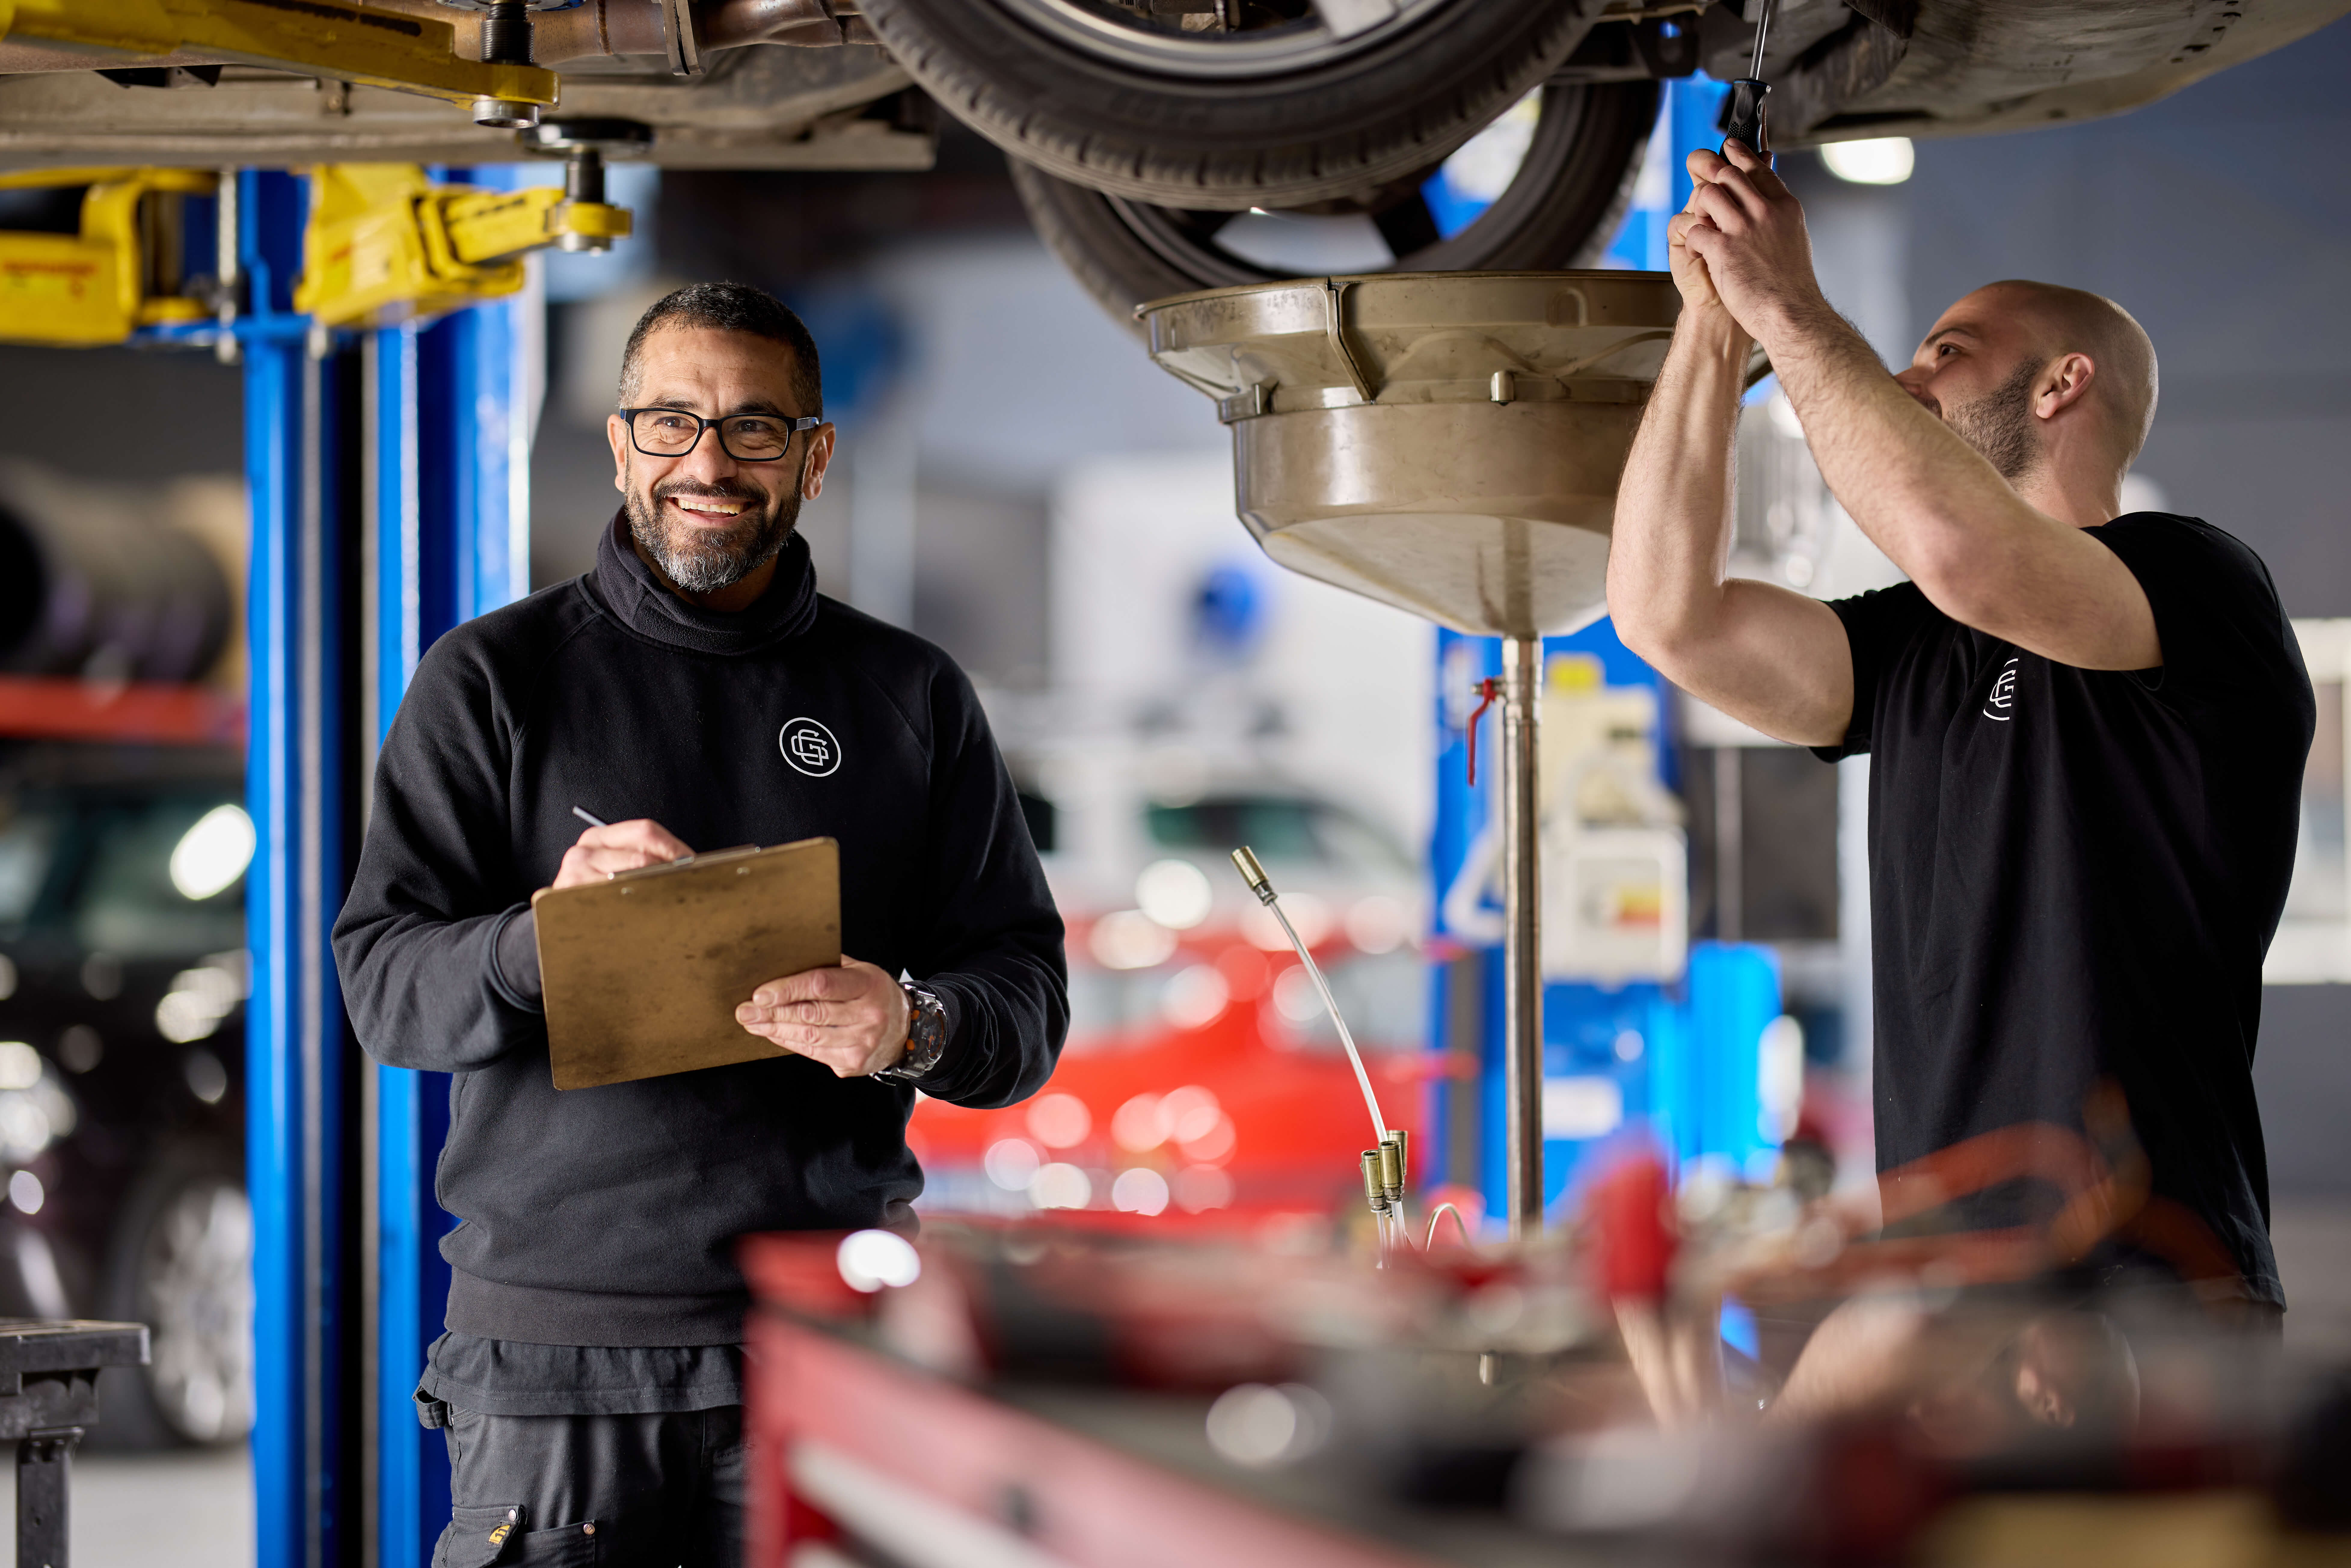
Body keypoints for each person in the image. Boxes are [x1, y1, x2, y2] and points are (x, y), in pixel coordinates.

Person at [334, 282, 1067, 1565]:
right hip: (558, 1360)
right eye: (669, 423)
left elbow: (1025, 997)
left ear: (815, 457)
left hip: (828, 1331)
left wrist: (911, 1018)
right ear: (618, 443)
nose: (708, 463)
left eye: (752, 429)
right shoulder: (494, 679)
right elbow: (385, 988)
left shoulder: (908, 694)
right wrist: (544, 931)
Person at [1607, 142, 2313, 1324]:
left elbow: (1964, 553)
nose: (1901, 372)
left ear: (2058, 385)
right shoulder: (1921, 643)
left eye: (1944, 351)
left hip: (2137, 1282)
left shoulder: (2194, 581)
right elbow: (1666, 617)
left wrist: (1786, 305)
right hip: (1948, 1287)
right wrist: (1711, 330)